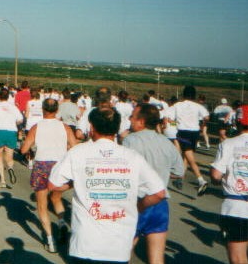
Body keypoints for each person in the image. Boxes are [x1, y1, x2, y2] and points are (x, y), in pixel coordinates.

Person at [48, 101, 166, 264]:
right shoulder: (132, 157)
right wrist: (139, 207)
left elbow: (53, 184)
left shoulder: (78, 152)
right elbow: (159, 193)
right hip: (118, 246)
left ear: (92, 128)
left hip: (85, 244)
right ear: (117, 128)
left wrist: (77, 182)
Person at [123, 104, 185, 264]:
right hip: (160, 204)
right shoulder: (166, 143)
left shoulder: (129, 140)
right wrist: (162, 174)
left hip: (137, 201)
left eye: (133, 116)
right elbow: (179, 172)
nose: (130, 119)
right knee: (157, 258)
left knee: (122, 253)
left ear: (141, 121)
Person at [20, 98, 77, 253]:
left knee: (42, 205)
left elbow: (24, 150)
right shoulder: (65, 127)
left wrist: (27, 147)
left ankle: (50, 240)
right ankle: (62, 223)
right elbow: (74, 147)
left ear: (43, 109)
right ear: (57, 110)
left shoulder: (36, 127)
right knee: (56, 198)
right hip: (60, 166)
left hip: (42, 165)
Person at [211, 104, 248, 264]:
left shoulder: (229, 144)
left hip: (236, 207)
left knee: (238, 258)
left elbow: (216, 175)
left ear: (237, 122)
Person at [166, 85, 210, 196]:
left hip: (183, 132)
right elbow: (207, 117)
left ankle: (201, 179)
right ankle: (181, 177)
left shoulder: (177, 105)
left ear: (183, 94)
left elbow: (169, 118)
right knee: (186, 155)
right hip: (195, 132)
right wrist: (202, 125)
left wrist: (175, 124)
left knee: (188, 157)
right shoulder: (197, 106)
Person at [0, 87, 23, 188]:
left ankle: (2, 180)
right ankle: (10, 168)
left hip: (0, 130)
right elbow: (20, 120)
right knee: (10, 155)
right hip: (12, 131)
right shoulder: (13, 107)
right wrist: (14, 122)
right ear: (8, 97)